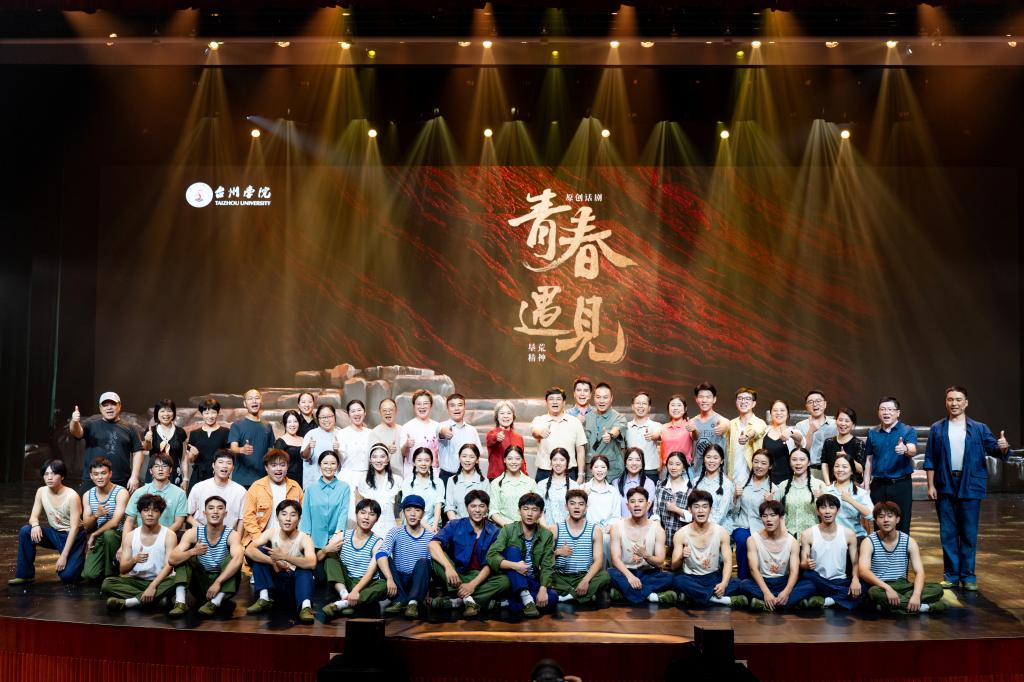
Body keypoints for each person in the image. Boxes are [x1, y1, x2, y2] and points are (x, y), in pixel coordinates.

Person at [924, 386, 1012, 590]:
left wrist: (1003, 446)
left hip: (970, 483)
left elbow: (995, 449)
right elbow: (930, 459)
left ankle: (968, 576)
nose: (954, 403)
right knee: (948, 533)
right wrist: (930, 485)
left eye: (958, 399)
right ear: (946, 402)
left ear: (966, 403)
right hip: (945, 483)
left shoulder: (979, 428)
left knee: (968, 533)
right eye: (950, 399)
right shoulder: (937, 428)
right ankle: (951, 575)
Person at [430, 489, 509, 617]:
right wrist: (449, 568)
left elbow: (491, 563)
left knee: (505, 581)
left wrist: (472, 585)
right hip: (456, 574)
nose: (477, 510)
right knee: (437, 559)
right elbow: (432, 544)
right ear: (467, 508)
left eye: (481, 506)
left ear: (487, 508)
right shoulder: (455, 525)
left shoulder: (495, 532)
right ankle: (473, 601)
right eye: (473, 506)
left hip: (480, 577)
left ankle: (458, 602)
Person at [859, 501, 946, 614]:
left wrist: (916, 595)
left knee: (937, 588)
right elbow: (864, 571)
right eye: (881, 516)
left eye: (890, 516)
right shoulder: (869, 541)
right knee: (873, 592)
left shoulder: (909, 541)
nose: (886, 520)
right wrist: (887, 588)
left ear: (897, 519)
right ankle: (927, 607)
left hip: (903, 585)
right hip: (880, 586)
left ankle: (889, 606)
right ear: (876, 520)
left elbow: (919, 572)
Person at [11, 459, 85, 585]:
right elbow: (33, 517)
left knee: (67, 577)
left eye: (54, 474)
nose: (49, 477)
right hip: (55, 534)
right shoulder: (41, 491)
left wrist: (63, 556)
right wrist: (35, 525)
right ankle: (25, 575)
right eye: (46, 474)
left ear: (62, 476)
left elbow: (74, 528)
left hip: (73, 537)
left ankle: (80, 564)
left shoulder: (72, 496)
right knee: (26, 531)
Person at [167, 495, 244, 617]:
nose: (215, 511)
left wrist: (218, 582)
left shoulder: (232, 535)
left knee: (234, 560)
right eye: (211, 508)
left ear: (225, 514)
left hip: (222, 586)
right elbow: (172, 559)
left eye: (220, 508)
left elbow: (238, 560)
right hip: (200, 583)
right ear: (204, 513)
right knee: (184, 558)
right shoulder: (193, 533)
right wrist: (192, 552)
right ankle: (180, 602)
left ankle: (214, 603)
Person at [245, 499, 318, 624]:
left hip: (294, 587)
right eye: (284, 514)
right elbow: (249, 550)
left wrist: (284, 557)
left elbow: (312, 563)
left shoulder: (304, 538)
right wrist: (272, 561)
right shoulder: (271, 532)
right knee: (260, 552)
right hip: (276, 585)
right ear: (277, 517)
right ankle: (264, 598)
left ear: (299, 519)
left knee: (304, 569)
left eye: (293, 515)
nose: (288, 519)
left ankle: (306, 607)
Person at [102, 494, 179, 612]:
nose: (150, 514)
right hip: (136, 581)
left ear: (160, 513)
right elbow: (123, 569)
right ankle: (157, 600)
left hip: (161, 581)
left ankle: (130, 602)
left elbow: (169, 567)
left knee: (178, 579)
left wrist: (152, 587)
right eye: (146, 510)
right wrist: (134, 560)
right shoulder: (130, 536)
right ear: (140, 513)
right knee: (107, 584)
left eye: (155, 510)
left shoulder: (169, 535)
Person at [487, 492, 557, 617]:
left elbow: (547, 565)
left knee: (552, 597)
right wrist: (515, 566)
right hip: (511, 579)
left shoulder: (546, 535)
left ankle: (508, 602)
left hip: (531, 579)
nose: (529, 513)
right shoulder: (508, 530)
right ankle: (525, 598)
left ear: (541, 513)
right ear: (519, 511)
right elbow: (491, 556)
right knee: (513, 551)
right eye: (525, 509)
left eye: (534, 510)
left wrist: (543, 589)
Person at [671, 490, 746, 608]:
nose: (701, 510)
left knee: (739, 584)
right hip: (691, 578)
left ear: (710, 509)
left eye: (705, 506)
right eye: (696, 507)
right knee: (677, 581)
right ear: (690, 510)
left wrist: (723, 584)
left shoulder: (721, 532)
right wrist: (682, 556)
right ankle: (717, 600)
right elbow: (674, 566)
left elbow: (727, 562)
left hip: (713, 577)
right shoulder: (681, 534)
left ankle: (693, 597)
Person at [738, 500, 817, 611]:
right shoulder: (752, 539)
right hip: (763, 581)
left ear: (780, 517)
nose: (768, 519)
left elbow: (794, 572)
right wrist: (766, 593)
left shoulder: (792, 542)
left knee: (810, 585)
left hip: (783, 581)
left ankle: (766, 604)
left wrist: (786, 592)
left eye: (772, 515)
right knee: (743, 585)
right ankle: (789, 603)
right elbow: (753, 569)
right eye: (764, 516)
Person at [321, 499, 389, 620]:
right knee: (330, 558)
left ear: (377, 519)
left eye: (372, 514)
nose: (366, 517)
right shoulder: (342, 535)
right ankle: (345, 596)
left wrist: (356, 591)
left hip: (366, 584)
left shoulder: (378, 542)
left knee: (384, 585)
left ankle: (343, 604)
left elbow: (370, 573)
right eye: (363, 513)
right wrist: (325, 550)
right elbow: (318, 558)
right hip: (346, 582)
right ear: (356, 514)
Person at [607, 487, 674, 605]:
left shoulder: (657, 529)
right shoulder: (617, 527)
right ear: (627, 506)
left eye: (640, 501)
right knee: (609, 574)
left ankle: (624, 593)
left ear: (648, 504)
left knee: (670, 578)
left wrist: (646, 555)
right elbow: (615, 559)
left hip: (647, 573)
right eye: (632, 502)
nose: (636, 505)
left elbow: (660, 562)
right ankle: (649, 595)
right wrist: (630, 577)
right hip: (625, 572)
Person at [797, 494, 862, 610]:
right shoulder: (807, 534)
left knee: (863, 588)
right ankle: (839, 597)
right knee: (807, 576)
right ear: (817, 511)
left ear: (838, 510)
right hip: (817, 579)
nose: (827, 511)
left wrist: (855, 579)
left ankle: (827, 601)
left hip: (839, 581)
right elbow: (802, 563)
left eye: (831, 507)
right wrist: (806, 564)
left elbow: (855, 562)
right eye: (823, 507)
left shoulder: (849, 534)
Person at [69, 392, 144, 493]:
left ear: (119, 406)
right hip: (93, 481)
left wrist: (135, 477)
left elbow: (138, 452)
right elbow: (77, 433)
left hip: (120, 481)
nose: (109, 408)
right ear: (100, 408)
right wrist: (74, 421)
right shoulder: (91, 425)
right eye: (105, 405)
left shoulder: (130, 428)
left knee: (121, 504)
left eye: (113, 404)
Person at [864, 397, 918, 534]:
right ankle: (880, 548)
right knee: (879, 522)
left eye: (890, 409)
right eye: (882, 409)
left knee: (902, 522)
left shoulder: (907, 430)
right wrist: (866, 486)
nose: (886, 412)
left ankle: (901, 548)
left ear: (898, 413)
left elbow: (912, 449)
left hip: (900, 484)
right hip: (878, 485)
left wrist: (905, 449)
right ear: (878, 412)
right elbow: (869, 459)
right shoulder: (872, 432)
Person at [378, 495, 435, 618]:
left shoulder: (430, 537)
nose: (413, 514)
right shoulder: (395, 531)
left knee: (424, 562)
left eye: (417, 510)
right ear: (403, 513)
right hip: (397, 582)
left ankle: (412, 603)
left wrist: (429, 592)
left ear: (423, 513)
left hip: (416, 582)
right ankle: (401, 600)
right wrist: (389, 578)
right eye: (408, 510)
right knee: (383, 558)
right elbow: (382, 552)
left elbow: (430, 568)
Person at [552, 489, 611, 606]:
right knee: (543, 578)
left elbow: (598, 561)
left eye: (581, 504)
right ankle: (585, 594)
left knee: (605, 576)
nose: (577, 507)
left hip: (583, 575)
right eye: (572, 503)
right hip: (561, 577)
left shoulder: (595, 530)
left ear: (586, 507)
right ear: (566, 506)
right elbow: (545, 559)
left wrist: (585, 581)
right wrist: (558, 552)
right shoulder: (555, 528)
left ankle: (568, 596)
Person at [300, 451, 352, 581]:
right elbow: (306, 514)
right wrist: (306, 538)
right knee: (320, 578)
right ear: (320, 465)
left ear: (337, 465)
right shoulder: (310, 489)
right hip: (314, 540)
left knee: (333, 575)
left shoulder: (344, 488)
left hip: (334, 540)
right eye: (325, 463)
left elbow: (343, 512)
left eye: (333, 463)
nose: (329, 467)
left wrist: (338, 534)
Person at [730, 449, 778, 581]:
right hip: (742, 525)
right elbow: (734, 512)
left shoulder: (773, 489)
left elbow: (775, 517)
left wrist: (770, 504)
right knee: (743, 540)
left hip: (762, 529)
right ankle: (743, 579)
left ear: (770, 466)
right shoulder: (742, 484)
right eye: (756, 462)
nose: (759, 466)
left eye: (763, 463)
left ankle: (758, 580)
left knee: (759, 543)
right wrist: (735, 497)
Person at [241, 449, 304, 548]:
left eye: (282, 465)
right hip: (261, 538)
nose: (278, 469)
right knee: (256, 553)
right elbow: (248, 517)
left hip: (288, 540)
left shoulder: (295, 487)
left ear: (287, 467)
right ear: (266, 468)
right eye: (274, 465)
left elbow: (303, 516)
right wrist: (260, 540)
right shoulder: (256, 487)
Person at [80, 458, 129, 582]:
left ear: (110, 474)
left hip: (119, 535)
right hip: (101, 536)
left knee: (109, 535)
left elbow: (115, 522)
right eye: (96, 474)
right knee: (89, 575)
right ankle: (105, 567)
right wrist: (96, 515)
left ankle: (112, 573)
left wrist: (94, 534)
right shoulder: (88, 495)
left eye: (103, 473)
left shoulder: (121, 492)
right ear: (91, 476)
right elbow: (86, 525)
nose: (100, 477)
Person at [531, 387, 587, 483]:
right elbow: (534, 431)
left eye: (558, 399)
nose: (555, 402)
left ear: (564, 402)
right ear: (546, 402)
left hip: (569, 472)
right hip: (545, 472)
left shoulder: (575, 422)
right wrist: (540, 432)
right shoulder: (539, 420)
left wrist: (581, 474)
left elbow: (580, 451)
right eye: (551, 399)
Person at [123, 453, 187, 534]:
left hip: (167, 537)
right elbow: (129, 521)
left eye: (164, 466)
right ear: (151, 471)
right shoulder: (139, 492)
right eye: (156, 466)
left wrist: (161, 536)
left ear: (170, 470)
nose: (160, 469)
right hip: (142, 537)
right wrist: (125, 541)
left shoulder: (180, 493)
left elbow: (179, 522)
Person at [228, 389, 276, 488]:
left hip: (263, 479)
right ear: (245, 403)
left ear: (261, 401)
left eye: (257, 398)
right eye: (250, 399)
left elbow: (270, 451)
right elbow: (233, 448)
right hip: (242, 480)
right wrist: (242, 450)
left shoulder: (268, 426)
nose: (254, 401)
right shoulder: (237, 425)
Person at [186, 450, 246, 530]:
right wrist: (198, 526)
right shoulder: (199, 487)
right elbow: (187, 514)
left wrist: (237, 536)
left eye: (228, 463)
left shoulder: (240, 491)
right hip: (202, 530)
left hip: (229, 533)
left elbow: (242, 519)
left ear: (233, 468)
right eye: (221, 462)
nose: (224, 466)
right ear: (213, 465)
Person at [778, 448, 825, 539]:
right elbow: (779, 513)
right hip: (789, 536)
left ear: (809, 462)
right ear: (790, 462)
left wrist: (821, 498)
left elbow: (826, 514)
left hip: (813, 537)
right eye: (794, 460)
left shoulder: (819, 485)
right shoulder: (783, 486)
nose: (798, 463)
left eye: (802, 459)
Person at [357, 443, 404, 536]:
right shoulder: (363, 480)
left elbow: (402, 508)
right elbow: (358, 509)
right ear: (370, 460)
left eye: (382, 456)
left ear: (388, 459)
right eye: (374, 457)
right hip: (369, 531)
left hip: (390, 529)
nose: (378, 460)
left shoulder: (397, 480)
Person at [822, 453, 873, 538]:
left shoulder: (860, 493)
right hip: (832, 537)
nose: (840, 469)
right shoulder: (826, 491)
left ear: (852, 471)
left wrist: (850, 500)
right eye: (837, 466)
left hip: (856, 536)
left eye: (844, 467)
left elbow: (871, 516)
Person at [142, 399, 190, 488]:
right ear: (157, 413)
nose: (166, 414)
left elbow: (184, 457)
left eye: (169, 411)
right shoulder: (151, 430)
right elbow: (148, 448)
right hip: (155, 474)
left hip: (174, 474)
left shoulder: (180, 432)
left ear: (173, 413)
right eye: (162, 411)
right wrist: (147, 441)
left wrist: (186, 478)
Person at [583, 383, 627, 481]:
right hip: (590, 471)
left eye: (605, 397)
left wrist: (610, 435)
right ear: (594, 398)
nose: (601, 401)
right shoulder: (587, 417)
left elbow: (617, 429)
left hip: (612, 473)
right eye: (598, 397)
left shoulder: (619, 418)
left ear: (611, 398)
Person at [438, 393, 484, 483]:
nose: (457, 408)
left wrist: (478, 476)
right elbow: (441, 432)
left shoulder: (472, 430)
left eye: (460, 405)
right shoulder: (442, 425)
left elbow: (477, 456)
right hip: (447, 477)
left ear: (464, 408)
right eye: (452, 405)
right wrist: (445, 432)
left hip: (469, 476)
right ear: (447, 409)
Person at [687, 382, 729, 479]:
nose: (704, 400)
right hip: (697, 473)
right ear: (696, 399)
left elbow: (726, 424)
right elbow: (694, 437)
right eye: (701, 397)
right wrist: (694, 430)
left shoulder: (720, 419)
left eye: (708, 397)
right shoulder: (692, 421)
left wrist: (723, 427)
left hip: (717, 474)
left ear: (714, 399)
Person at [489, 445, 538, 527]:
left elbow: (537, 508)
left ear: (522, 460)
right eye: (510, 458)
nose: (513, 462)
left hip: (527, 529)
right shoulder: (496, 483)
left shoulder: (531, 482)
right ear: (504, 460)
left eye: (517, 459)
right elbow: (493, 511)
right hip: (504, 529)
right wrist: (508, 528)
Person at [186, 398, 231, 486]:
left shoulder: (226, 432)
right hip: (198, 475)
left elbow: (229, 456)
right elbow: (191, 460)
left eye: (213, 412)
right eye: (206, 413)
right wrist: (193, 455)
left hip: (218, 474)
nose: (210, 416)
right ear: (202, 414)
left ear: (218, 413)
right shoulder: (194, 433)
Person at [654, 452, 693, 553]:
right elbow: (655, 511)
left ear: (684, 467)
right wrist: (658, 529)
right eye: (670, 464)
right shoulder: (660, 486)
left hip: (683, 541)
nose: (673, 467)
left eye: (678, 464)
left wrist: (676, 509)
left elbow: (693, 516)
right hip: (661, 540)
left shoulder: (690, 489)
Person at [727, 387, 767, 484]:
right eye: (740, 398)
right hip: (732, 477)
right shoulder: (731, 424)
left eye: (747, 399)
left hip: (752, 478)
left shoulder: (760, 422)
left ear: (754, 403)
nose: (743, 401)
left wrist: (747, 436)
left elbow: (756, 431)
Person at [691, 444, 735, 531]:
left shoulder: (727, 484)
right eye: (708, 457)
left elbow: (721, 515)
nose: (711, 461)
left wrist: (703, 529)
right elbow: (692, 508)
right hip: (697, 526)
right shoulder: (695, 482)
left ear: (721, 461)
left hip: (719, 528)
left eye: (715, 458)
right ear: (704, 459)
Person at [794, 390, 837, 476]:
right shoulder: (800, 426)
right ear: (806, 406)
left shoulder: (835, 425)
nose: (815, 404)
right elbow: (801, 452)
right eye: (810, 402)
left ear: (825, 404)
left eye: (818, 401)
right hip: (809, 470)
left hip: (832, 470)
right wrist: (810, 431)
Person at [301, 404, 343, 491]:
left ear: (334, 417)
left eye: (329, 416)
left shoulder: (341, 434)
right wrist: (309, 447)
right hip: (314, 482)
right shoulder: (311, 434)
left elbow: (344, 460)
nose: (326, 420)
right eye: (323, 417)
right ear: (318, 419)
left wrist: (337, 450)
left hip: (335, 483)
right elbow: (304, 456)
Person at [444, 443, 490, 521]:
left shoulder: (484, 481)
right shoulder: (452, 480)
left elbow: (486, 509)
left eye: (471, 457)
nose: (467, 460)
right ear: (459, 458)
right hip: (457, 524)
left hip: (478, 524)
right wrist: (457, 525)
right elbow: (449, 507)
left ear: (477, 460)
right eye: (464, 456)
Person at [402, 447, 444, 532]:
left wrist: (434, 527)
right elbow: (409, 509)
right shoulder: (407, 482)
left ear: (431, 462)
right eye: (419, 460)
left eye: (427, 460)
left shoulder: (438, 482)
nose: (423, 464)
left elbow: (438, 506)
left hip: (433, 525)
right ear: (414, 462)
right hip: (412, 525)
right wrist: (428, 528)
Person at [820, 408, 865, 486]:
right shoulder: (828, 442)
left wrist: (847, 457)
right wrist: (828, 484)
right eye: (840, 420)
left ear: (853, 425)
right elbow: (824, 463)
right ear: (836, 422)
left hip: (853, 486)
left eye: (847, 421)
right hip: (833, 485)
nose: (843, 424)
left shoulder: (859, 443)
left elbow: (861, 469)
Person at [763, 400, 803, 484]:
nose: (778, 413)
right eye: (775, 410)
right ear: (771, 413)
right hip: (767, 480)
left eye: (782, 410)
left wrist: (790, 433)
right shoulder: (765, 431)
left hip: (788, 480)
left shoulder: (793, 431)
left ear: (788, 414)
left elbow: (800, 439)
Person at [402, 389, 441, 478]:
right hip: (411, 475)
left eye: (425, 403)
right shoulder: (407, 427)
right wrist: (406, 445)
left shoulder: (438, 427)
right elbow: (402, 454)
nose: (422, 406)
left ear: (431, 405)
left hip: (433, 474)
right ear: (414, 406)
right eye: (418, 404)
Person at [338, 399, 374, 493]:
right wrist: (336, 450)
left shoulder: (371, 433)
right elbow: (341, 458)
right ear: (348, 415)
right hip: (348, 477)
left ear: (364, 412)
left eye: (359, 410)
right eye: (353, 411)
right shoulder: (342, 433)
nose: (357, 413)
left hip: (368, 476)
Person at [582, 455, 622, 538]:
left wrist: (610, 526)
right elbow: (578, 513)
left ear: (607, 470)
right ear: (591, 469)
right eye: (596, 467)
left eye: (603, 467)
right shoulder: (583, 488)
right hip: (587, 533)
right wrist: (583, 497)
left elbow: (616, 515)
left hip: (607, 533)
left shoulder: (613, 491)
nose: (599, 470)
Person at [485, 401, 527, 480]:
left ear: (513, 416)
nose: (505, 416)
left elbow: (522, 461)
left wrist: (525, 477)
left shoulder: (519, 437)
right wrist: (497, 437)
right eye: (502, 413)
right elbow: (491, 439)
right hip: (497, 479)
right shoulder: (492, 434)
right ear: (497, 417)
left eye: (509, 413)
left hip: (516, 480)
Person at [625, 392, 662, 480]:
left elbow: (659, 435)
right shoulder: (626, 426)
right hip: (630, 470)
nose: (641, 406)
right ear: (632, 406)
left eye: (644, 403)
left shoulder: (656, 425)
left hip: (650, 471)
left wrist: (653, 436)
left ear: (649, 408)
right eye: (638, 403)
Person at [539, 448, 580, 527]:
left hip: (568, 530)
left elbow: (576, 512)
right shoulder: (541, 485)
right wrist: (546, 531)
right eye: (555, 460)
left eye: (562, 460)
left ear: (567, 462)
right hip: (546, 530)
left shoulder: (574, 486)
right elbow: (539, 510)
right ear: (551, 462)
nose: (558, 463)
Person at [612, 448, 657, 518]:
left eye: (638, 460)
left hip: (641, 524)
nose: (634, 463)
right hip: (621, 523)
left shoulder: (649, 484)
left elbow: (646, 509)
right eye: (630, 459)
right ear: (625, 463)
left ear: (642, 464)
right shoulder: (616, 483)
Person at [371, 398, 407, 477]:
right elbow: (372, 456)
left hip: (399, 475)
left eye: (390, 410)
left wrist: (407, 445)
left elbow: (406, 454)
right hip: (380, 476)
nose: (388, 413)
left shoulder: (402, 430)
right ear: (379, 412)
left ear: (396, 411)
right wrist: (386, 449)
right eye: (384, 410)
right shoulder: (374, 432)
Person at [273, 409, 306, 487]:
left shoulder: (304, 439)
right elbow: (277, 465)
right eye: (289, 422)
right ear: (285, 424)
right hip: (287, 481)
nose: (292, 425)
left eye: (295, 421)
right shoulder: (280, 442)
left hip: (304, 479)